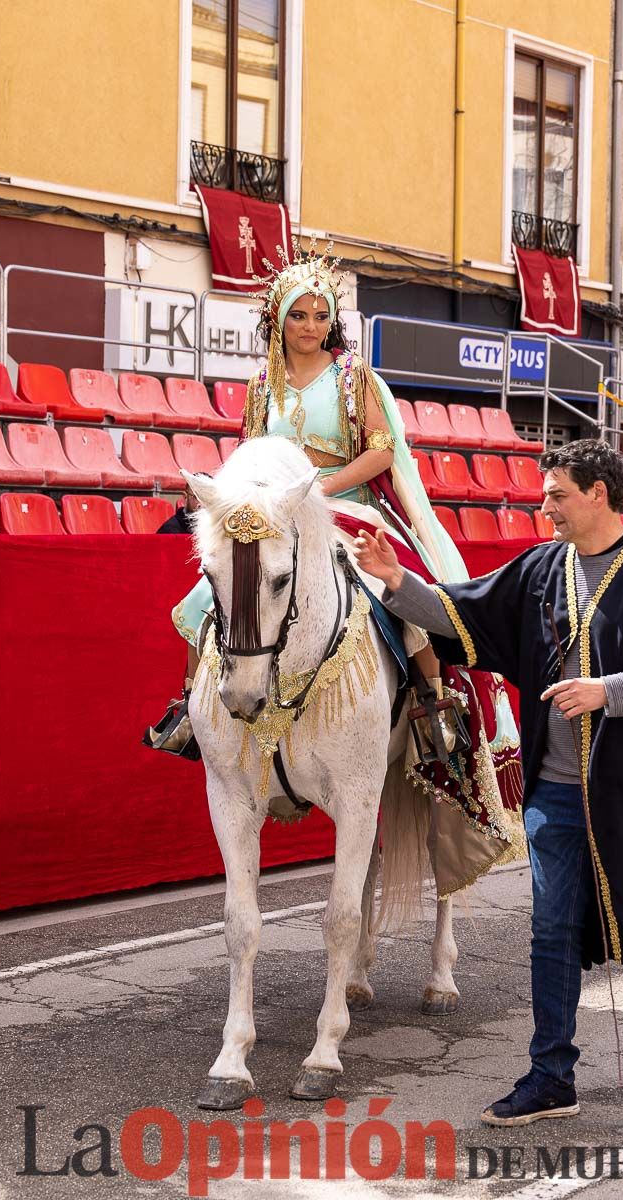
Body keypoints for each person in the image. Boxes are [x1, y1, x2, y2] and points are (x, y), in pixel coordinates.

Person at [353, 438, 623, 1140]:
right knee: (551, 936)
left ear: (599, 494)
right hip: (555, 798)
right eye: (544, 493)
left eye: (556, 494)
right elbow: (467, 615)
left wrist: (606, 690)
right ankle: (550, 1076)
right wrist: (399, 583)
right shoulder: (541, 566)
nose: (542, 505)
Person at [170, 242, 524, 897]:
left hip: (347, 507)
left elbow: (380, 456)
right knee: (204, 597)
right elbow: (249, 457)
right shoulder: (259, 387)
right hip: (276, 513)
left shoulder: (354, 377)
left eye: (318, 315)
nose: (308, 325)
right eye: (297, 315)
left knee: (394, 593)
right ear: (277, 320)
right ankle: (189, 711)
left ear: (330, 321)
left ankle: (431, 704)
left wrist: (318, 493)